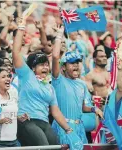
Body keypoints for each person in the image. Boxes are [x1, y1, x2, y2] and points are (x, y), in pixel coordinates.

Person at [12, 17, 84, 149]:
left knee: (55, 147)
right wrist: (21, 28)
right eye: (41, 65)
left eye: (46, 65)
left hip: (44, 122)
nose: (45, 67)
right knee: (44, 147)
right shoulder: (27, 76)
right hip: (27, 122)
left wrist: (69, 131)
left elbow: (55, 112)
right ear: (33, 68)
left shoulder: (49, 86)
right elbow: (15, 53)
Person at [51, 25, 104, 145]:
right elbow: (55, 57)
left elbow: (84, 107)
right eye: (71, 63)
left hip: (80, 128)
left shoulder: (82, 84)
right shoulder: (58, 80)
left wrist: (95, 109)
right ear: (63, 67)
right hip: (63, 127)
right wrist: (59, 35)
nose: (75, 65)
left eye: (77, 62)